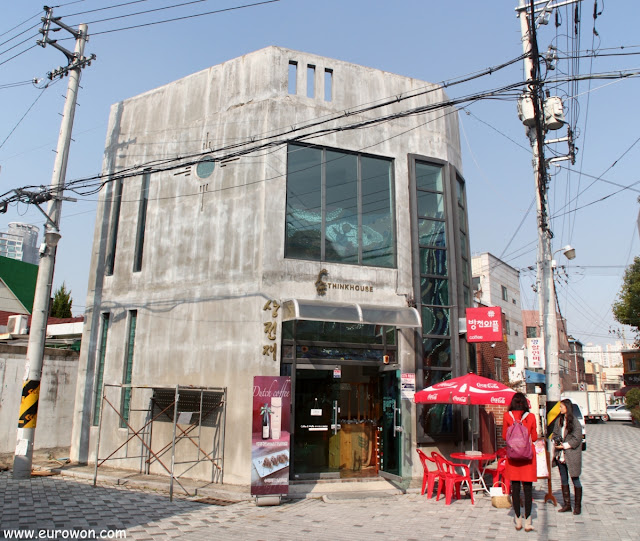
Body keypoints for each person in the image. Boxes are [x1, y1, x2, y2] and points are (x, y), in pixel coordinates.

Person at [503, 392, 538, 532]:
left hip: (513, 458)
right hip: (527, 458)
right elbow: (534, 437)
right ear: (525, 403)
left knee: (515, 489)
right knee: (528, 490)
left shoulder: (507, 416)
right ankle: (528, 521)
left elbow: (504, 436)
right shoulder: (531, 417)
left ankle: (517, 520)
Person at [552, 398, 583, 515]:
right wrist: (555, 440)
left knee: (575, 478)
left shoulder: (574, 422)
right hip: (560, 455)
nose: (560, 409)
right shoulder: (559, 421)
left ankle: (577, 506)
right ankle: (567, 504)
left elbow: (577, 438)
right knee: (563, 479)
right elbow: (555, 433)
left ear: (567, 408)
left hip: (571, 454)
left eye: (561, 406)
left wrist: (564, 445)